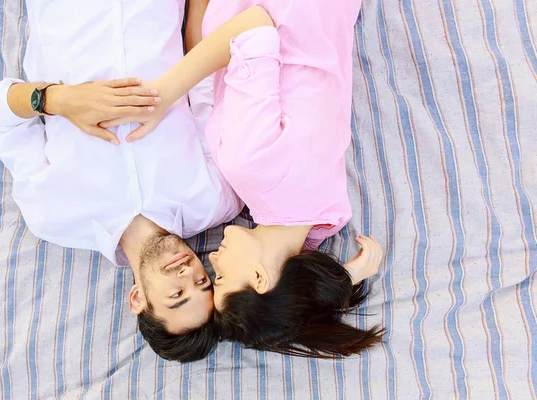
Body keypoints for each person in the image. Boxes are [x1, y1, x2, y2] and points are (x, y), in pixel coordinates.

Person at [121, 3, 385, 357]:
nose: (211, 260)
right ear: (259, 279)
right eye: (222, 278)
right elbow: (253, 27)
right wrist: (163, 94)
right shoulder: (253, 167)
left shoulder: (324, 217)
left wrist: (350, 274)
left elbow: (294, 287)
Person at [0, 0, 242, 362]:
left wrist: (62, 99)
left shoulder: (53, 217)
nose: (188, 273)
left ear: (138, 298)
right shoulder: (216, 198)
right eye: (202, 282)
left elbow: (0, 115)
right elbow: (204, 84)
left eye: (177, 295)